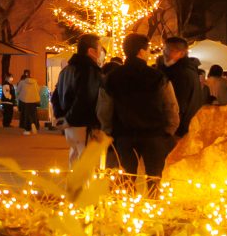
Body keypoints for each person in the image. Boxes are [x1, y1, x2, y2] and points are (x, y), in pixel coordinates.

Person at [98, 34, 179, 193]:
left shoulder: (112, 77)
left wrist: (108, 130)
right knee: (154, 178)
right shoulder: (157, 77)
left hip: (124, 134)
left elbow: (104, 108)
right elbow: (171, 106)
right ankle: (153, 209)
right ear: (141, 51)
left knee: (126, 178)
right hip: (154, 134)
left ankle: (128, 210)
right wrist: (169, 130)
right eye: (148, 49)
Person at [52, 34, 106, 167]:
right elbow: (86, 98)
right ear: (91, 51)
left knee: (74, 160)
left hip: (70, 127)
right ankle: (82, 189)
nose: (101, 52)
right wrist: (70, 118)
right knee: (86, 165)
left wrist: (62, 118)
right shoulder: (90, 70)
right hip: (84, 125)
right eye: (99, 49)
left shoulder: (66, 70)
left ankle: (73, 188)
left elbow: (55, 97)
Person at [159, 37, 207, 138]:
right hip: (187, 128)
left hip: (178, 130)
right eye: (164, 50)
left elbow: (178, 104)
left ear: (181, 53)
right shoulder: (188, 70)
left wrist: (170, 130)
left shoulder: (180, 74)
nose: (165, 53)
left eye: (170, 50)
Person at [16, 69, 42, 134]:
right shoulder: (35, 82)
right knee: (33, 114)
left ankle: (27, 129)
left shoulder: (22, 82)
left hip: (25, 101)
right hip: (34, 101)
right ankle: (33, 123)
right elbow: (38, 90)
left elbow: (17, 91)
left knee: (26, 115)